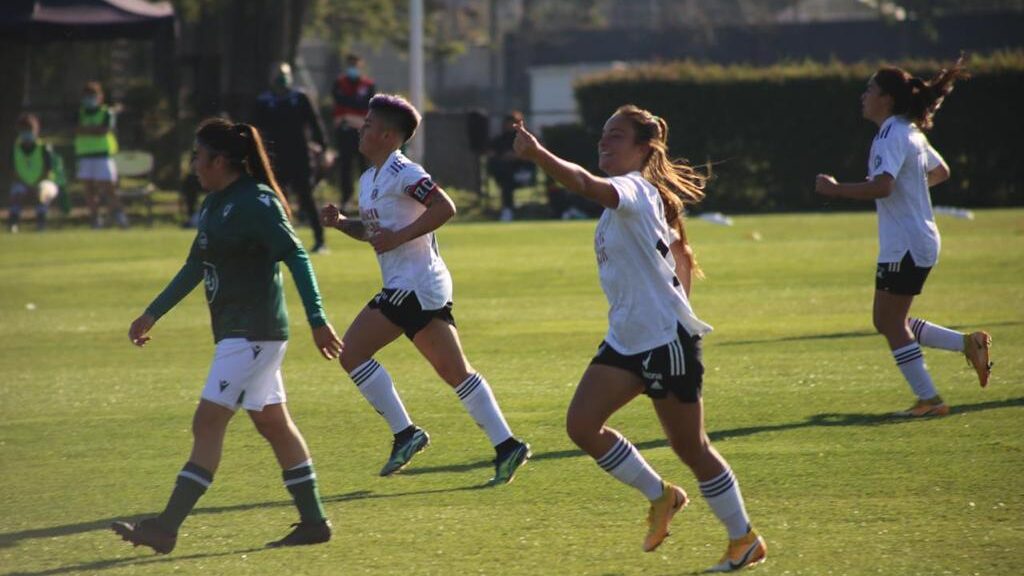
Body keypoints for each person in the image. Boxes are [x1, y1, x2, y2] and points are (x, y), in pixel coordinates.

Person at [513, 105, 766, 571]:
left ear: (643, 148)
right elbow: (681, 255)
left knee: (691, 447)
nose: (604, 142)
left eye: (617, 136)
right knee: (582, 426)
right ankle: (661, 495)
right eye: (603, 135)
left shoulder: (632, 189)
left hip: (662, 342)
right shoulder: (636, 202)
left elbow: (586, 184)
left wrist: (538, 154)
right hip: (626, 341)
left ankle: (744, 539)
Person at [111, 118, 343, 554]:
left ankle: (166, 527)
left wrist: (317, 317)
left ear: (220, 160)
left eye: (197, 156)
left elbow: (295, 254)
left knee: (208, 421)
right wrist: (151, 314)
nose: (193, 165)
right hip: (241, 334)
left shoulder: (256, 202)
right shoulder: (214, 204)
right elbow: (195, 266)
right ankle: (314, 522)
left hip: (252, 333)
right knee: (274, 423)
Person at [319, 94, 531, 485]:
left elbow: (445, 207)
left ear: (386, 135)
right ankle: (507, 446)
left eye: (367, 125)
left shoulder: (404, 171)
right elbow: (374, 234)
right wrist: (343, 222)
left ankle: (406, 433)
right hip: (417, 284)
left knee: (352, 353)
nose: (360, 130)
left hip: (413, 284)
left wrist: (398, 237)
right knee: (454, 370)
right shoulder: (369, 179)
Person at [814, 55, 991, 417]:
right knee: (888, 320)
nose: (863, 95)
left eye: (870, 89)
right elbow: (940, 171)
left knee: (891, 322)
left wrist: (835, 190)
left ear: (888, 99)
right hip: (916, 239)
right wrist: (911, 188)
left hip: (906, 243)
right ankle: (967, 344)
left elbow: (882, 187)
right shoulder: (909, 131)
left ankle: (930, 399)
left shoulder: (891, 134)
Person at [253, 62, 330, 253]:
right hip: (275, 157)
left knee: (306, 198)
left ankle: (320, 240)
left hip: (299, 156)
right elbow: (255, 129)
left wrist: (322, 147)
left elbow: (315, 123)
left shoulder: (300, 98)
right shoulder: (264, 101)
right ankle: (281, 239)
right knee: (277, 199)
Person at [74, 81, 125, 228]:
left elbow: (103, 131)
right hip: (85, 156)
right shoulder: (80, 112)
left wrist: (87, 130)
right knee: (89, 190)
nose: (90, 99)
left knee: (109, 189)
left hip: (103, 156)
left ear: (100, 97)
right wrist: (93, 130)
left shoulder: (106, 112)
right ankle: (95, 219)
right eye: (87, 96)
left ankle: (119, 217)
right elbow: (77, 129)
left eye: (93, 96)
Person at [331, 54, 375, 213]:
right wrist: (352, 112)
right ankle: (346, 199)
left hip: (362, 131)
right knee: (345, 166)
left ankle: (368, 198)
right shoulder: (339, 83)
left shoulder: (368, 84)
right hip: (345, 132)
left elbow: (367, 104)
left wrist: (350, 115)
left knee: (365, 166)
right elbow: (340, 102)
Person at [9, 113, 58, 232]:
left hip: (45, 183)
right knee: (16, 191)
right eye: (23, 130)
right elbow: (13, 172)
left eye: (29, 130)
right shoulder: (15, 149)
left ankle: (41, 223)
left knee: (42, 192)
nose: (26, 133)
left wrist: (35, 184)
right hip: (24, 183)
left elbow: (48, 172)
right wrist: (26, 184)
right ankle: (13, 224)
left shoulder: (44, 148)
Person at [486, 110, 534, 221]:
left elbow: (533, 155)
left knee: (507, 179)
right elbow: (491, 153)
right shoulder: (500, 139)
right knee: (505, 177)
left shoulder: (526, 138)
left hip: (523, 172)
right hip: (505, 174)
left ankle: (508, 209)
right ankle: (508, 209)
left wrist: (516, 156)